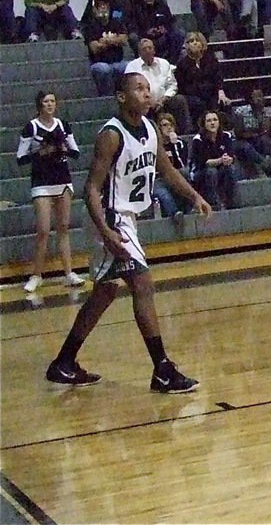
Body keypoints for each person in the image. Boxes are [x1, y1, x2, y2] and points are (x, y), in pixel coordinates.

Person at [44, 72, 209, 393]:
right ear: (122, 96)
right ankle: (162, 370)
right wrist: (106, 232)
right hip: (109, 217)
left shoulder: (150, 128)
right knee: (142, 284)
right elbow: (91, 189)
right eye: (139, 88)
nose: (147, 93)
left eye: (148, 88)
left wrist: (194, 196)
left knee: (105, 292)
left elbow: (166, 169)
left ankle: (64, 362)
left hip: (126, 217)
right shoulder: (111, 134)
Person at [17, 91, 85, 293]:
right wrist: (41, 152)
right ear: (39, 104)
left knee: (63, 227)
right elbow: (21, 158)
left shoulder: (63, 125)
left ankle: (69, 273)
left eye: (53, 101)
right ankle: (36, 275)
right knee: (44, 230)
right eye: (46, 101)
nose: (50, 104)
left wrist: (62, 148)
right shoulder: (31, 127)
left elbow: (75, 152)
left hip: (62, 180)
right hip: (41, 182)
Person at [123, 37, 190, 132]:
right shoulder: (132, 66)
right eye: (144, 49)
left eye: (150, 48)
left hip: (164, 101)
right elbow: (131, 89)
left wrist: (163, 99)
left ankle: (185, 133)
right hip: (144, 102)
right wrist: (148, 100)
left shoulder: (164, 63)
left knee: (179, 100)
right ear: (139, 53)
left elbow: (172, 85)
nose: (148, 51)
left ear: (154, 50)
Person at [189, 110, 241, 211]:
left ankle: (232, 203)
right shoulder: (198, 139)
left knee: (230, 169)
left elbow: (231, 155)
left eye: (215, 120)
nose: (212, 123)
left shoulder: (226, 136)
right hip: (200, 172)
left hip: (221, 168)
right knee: (211, 171)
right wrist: (221, 160)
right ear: (204, 124)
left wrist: (228, 159)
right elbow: (204, 162)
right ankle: (214, 204)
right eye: (209, 121)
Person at [175, 31, 231, 126]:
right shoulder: (182, 64)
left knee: (223, 101)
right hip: (193, 95)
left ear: (202, 43)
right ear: (187, 45)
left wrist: (220, 92)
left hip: (211, 92)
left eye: (197, 40)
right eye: (191, 41)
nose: (195, 43)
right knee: (198, 103)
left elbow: (218, 78)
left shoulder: (211, 59)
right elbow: (183, 86)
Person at [81, 0, 128, 97]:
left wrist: (106, 41)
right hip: (98, 62)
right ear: (95, 10)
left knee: (126, 66)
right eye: (100, 7)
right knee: (104, 69)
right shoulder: (90, 26)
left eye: (105, 6)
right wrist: (114, 40)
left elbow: (123, 40)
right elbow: (94, 48)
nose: (103, 9)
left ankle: (122, 93)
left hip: (118, 61)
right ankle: (106, 96)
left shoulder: (116, 23)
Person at [230, 87, 271, 177]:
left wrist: (258, 114)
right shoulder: (240, 111)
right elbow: (239, 133)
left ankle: (263, 165)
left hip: (257, 139)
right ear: (250, 100)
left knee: (265, 140)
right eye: (257, 97)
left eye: (261, 96)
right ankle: (265, 164)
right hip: (240, 141)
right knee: (247, 147)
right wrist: (253, 133)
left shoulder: (267, 111)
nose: (260, 99)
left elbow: (265, 131)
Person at [127, 0, 184, 65]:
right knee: (133, 37)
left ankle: (171, 64)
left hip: (162, 37)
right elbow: (132, 28)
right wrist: (146, 32)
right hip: (144, 37)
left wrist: (164, 29)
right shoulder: (135, 9)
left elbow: (170, 23)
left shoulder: (162, 7)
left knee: (178, 34)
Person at [153, 112, 191, 223]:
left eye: (171, 125)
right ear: (159, 128)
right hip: (159, 178)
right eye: (165, 125)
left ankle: (188, 210)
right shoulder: (154, 145)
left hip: (175, 177)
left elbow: (182, 165)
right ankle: (176, 213)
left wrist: (174, 146)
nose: (169, 128)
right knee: (163, 194)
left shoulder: (180, 143)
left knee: (185, 173)